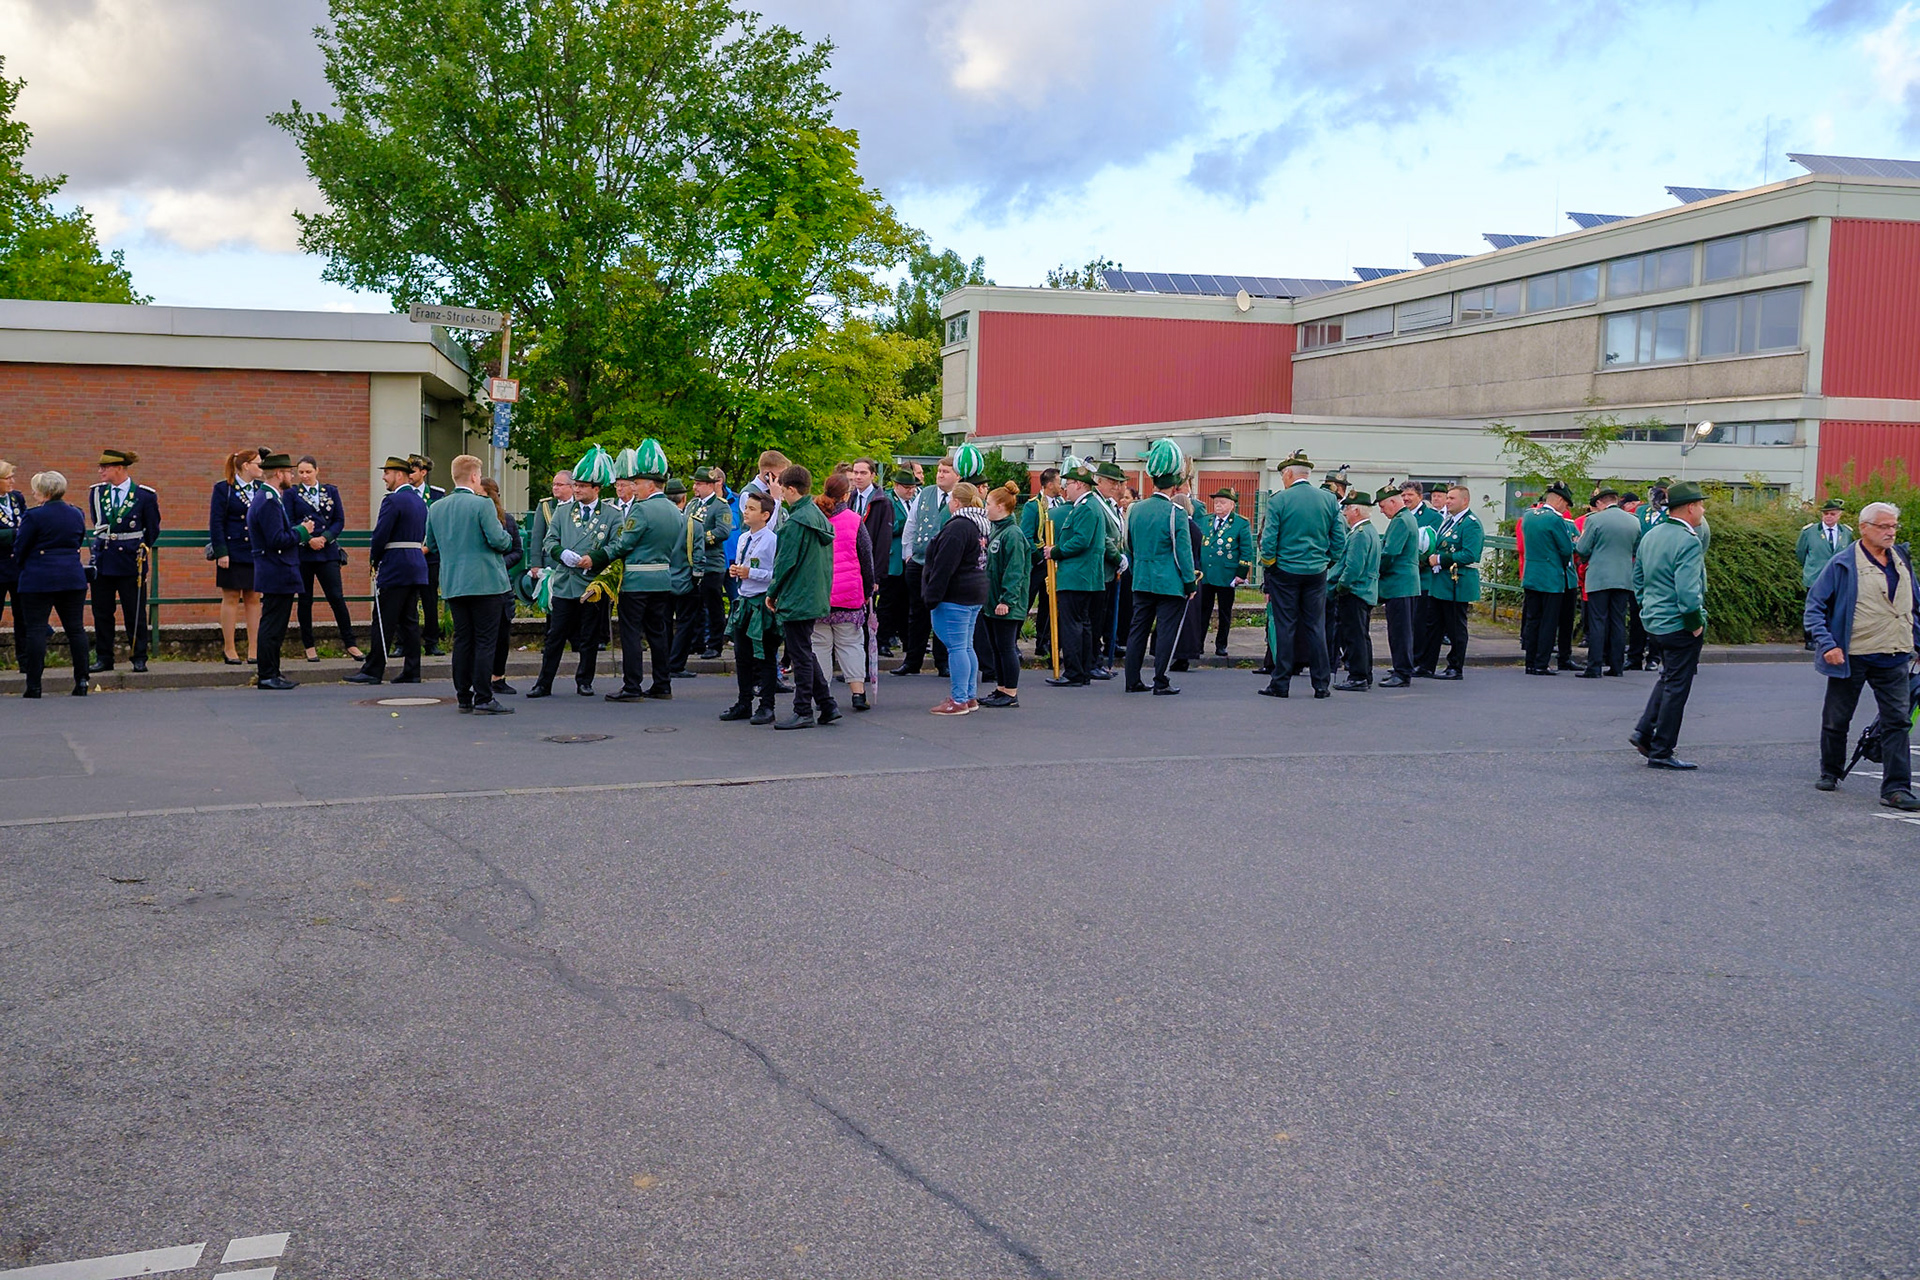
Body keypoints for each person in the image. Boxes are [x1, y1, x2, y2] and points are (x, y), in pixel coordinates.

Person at [1805, 500, 1920, 807]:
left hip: (1895, 654)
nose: (1890, 532)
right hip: (1853, 654)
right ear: (1864, 528)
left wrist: (1917, 642)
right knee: (1837, 719)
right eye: (1883, 526)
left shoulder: (1902, 560)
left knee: (1897, 722)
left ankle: (1896, 789)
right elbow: (1815, 606)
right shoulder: (1843, 562)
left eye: (1893, 526)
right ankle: (1830, 770)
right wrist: (1828, 644)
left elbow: (1913, 605)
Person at [535, 445, 627, 699]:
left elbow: (618, 545)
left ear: (596, 488)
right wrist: (561, 554)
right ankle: (544, 683)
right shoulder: (563, 512)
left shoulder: (611, 514)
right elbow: (550, 540)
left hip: (592, 585)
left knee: (589, 638)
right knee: (555, 637)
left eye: (583, 486)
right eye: (575, 486)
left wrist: (594, 559)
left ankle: (584, 680)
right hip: (565, 581)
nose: (577, 490)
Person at [425, 454, 514, 714]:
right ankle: (484, 697)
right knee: (486, 641)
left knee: (463, 640)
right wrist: (507, 538)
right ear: (475, 476)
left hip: (454, 582)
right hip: (486, 581)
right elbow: (499, 541)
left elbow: (430, 544)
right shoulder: (482, 505)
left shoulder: (436, 507)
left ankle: (463, 695)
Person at [1631, 480, 1710, 770]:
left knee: (1667, 678)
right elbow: (1689, 593)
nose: (1702, 509)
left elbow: (1638, 579)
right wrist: (1695, 622)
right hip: (1678, 623)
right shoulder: (1688, 540)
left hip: (1654, 620)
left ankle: (1643, 731)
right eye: (1700, 504)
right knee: (1678, 686)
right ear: (1690, 508)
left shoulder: (1652, 535)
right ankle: (1662, 749)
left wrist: (1647, 607)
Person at [1257, 450, 1345, 699]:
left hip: (1285, 570)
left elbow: (1269, 540)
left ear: (1288, 474)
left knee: (1286, 627)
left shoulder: (1279, 500)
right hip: (1316, 570)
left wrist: (1270, 565)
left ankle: (1281, 682)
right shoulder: (1328, 500)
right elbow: (1339, 540)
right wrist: (1328, 560)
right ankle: (1321, 684)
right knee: (1316, 626)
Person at [767, 465, 840, 729]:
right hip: (815, 592)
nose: (783, 495)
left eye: (784, 490)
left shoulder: (796, 521)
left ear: (791, 489)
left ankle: (803, 710)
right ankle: (827, 705)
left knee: (800, 654)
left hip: (798, 595)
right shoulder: (818, 515)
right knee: (804, 650)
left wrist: (773, 592)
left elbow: (784, 563)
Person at [1123, 440, 1198, 696]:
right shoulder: (1175, 512)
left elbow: (1129, 546)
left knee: (1138, 630)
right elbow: (1182, 553)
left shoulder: (1134, 510)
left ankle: (1132, 680)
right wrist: (1189, 583)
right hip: (1170, 582)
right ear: (1175, 483)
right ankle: (1160, 680)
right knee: (1166, 631)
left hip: (1142, 579)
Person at [346, 457, 430, 686]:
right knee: (409, 621)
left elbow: (381, 534)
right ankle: (413, 670)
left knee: (383, 619)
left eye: (387, 473)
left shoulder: (393, 501)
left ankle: (374, 669)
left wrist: (375, 558)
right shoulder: (418, 500)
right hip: (415, 565)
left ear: (399, 475)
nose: (384, 477)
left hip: (396, 565)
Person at [10, 470, 91, 698]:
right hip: (72, 577)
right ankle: (82, 680)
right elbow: (77, 539)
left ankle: (34, 685)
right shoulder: (76, 513)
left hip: (38, 578)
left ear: (43, 492)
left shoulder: (34, 516)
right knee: (76, 629)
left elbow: (21, 546)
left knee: (35, 630)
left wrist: (27, 562)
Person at [87, 447, 160, 673]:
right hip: (104, 558)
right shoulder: (98, 493)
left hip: (130, 560)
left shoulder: (144, 495)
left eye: (105, 467)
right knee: (102, 611)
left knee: (135, 611)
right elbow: (98, 522)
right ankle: (104, 656)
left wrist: (141, 548)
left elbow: (152, 529)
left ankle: (139, 656)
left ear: (119, 468)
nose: (101, 471)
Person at [922, 481, 991, 715]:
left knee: (956, 648)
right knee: (966, 646)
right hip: (974, 591)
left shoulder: (958, 527)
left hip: (956, 594)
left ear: (956, 502)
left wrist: (931, 595)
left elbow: (944, 566)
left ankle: (958, 699)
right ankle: (969, 696)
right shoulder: (980, 524)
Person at [812, 472, 879, 711]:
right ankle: (858, 694)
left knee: (819, 644)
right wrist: (868, 588)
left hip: (818, 592)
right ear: (846, 495)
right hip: (849, 594)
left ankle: (823, 696)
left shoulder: (814, 517)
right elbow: (866, 557)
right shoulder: (853, 520)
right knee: (850, 644)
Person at [246, 451, 313, 691]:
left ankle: (273, 671)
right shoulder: (268, 500)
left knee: (275, 624)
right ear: (278, 473)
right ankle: (267, 674)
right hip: (276, 570)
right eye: (288, 472)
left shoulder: (269, 497)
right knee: (272, 625)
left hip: (277, 569)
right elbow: (276, 538)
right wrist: (302, 531)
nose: (292, 476)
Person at [289, 456, 363, 664]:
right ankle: (309, 646)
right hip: (304, 552)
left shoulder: (331, 491)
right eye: (301, 472)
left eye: (308, 472)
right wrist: (308, 538)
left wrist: (325, 538)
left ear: (316, 471)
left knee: (336, 598)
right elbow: (289, 520)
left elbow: (339, 520)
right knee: (305, 601)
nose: (304, 476)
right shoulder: (293, 494)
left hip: (327, 552)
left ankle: (350, 642)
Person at [1041, 458, 1106, 688]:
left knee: (1073, 625)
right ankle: (1083, 669)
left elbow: (1080, 541)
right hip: (1082, 576)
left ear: (1079, 484)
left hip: (1077, 576)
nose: (1064, 487)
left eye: (1068, 483)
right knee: (1082, 625)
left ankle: (1075, 672)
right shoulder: (1087, 506)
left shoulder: (1086, 508)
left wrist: (1054, 551)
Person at [721, 491, 782, 724]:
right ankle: (744, 702)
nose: (746, 512)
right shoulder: (744, 538)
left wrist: (751, 573)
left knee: (765, 655)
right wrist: (736, 571)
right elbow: (743, 564)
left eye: (752, 509)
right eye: (746, 508)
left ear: (765, 515)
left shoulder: (771, 540)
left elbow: (775, 575)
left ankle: (767, 705)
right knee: (742, 655)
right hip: (744, 601)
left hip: (761, 603)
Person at [895, 455, 958, 676]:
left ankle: (943, 662)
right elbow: (912, 524)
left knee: (943, 611)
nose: (940, 475)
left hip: (945, 566)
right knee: (916, 613)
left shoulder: (960, 497)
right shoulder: (925, 494)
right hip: (919, 562)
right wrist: (908, 555)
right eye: (939, 471)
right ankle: (913, 661)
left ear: (957, 476)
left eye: (946, 472)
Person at [1417, 484, 1482, 680]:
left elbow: (1471, 554)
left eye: (1452, 498)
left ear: (1465, 501)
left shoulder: (1471, 523)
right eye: (1447, 498)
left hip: (1456, 582)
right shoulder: (1448, 521)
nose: (1447, 501)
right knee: (1433, 626)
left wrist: (1441, 559)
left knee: (1455, 627)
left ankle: (1455, 666)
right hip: (1440, 582)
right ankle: (1426, 665)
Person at [1574, 487, 1641, 678]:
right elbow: (1636, 548)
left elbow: (1583, 548)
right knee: (1618, 622)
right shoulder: (1633, 521)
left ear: (1601, 502)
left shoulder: (1594, 520)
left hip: (1599, 577)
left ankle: (1594, 666)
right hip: (1623, 577)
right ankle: (1617, 665)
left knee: (1597, 621)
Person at [978, 482, 1032, 708]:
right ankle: (1001, 688)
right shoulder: (997, 531)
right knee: (997, 647)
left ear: (1001, 506)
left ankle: (1010, 692)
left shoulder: (1013, 534)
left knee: (1006, 646)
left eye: (988, 504)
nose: (985, 508)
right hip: (992, 601)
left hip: (1005, 603)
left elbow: (1015, 570)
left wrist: (1007, 600)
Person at [209, 449, 264, 665]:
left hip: (255, 551)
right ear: (244, 466)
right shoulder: (224, 488)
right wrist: (221, 551)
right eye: (258, 464)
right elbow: (216, 522)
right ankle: (229, 648)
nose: (261, 468)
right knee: (231, 597)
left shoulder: (260, 489)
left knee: (254, 598)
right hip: (232, 551)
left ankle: (254, 648)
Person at [1520, 482, 1576, 675]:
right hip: (1551, 577)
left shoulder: (1528, 516)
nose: (1566, 508)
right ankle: (1541, 662)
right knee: (1548, 622)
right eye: (1566, 504)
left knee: (1532, 619)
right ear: (1560, 500)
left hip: (1532, 574)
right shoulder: (1555, 520)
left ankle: (1530, 661)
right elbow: (1566, 549)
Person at [1331, 491, 1381, 691]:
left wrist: (1341, 587)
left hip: (1356, 592)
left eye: (1347, 509)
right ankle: (1365, 674)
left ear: (1357, 510)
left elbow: (1353, 567)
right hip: (1365, 591)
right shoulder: (1368, 531)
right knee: (1362, 635)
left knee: (1354, 636)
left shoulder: (1360, 534)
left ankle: (1358, 676)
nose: (1344, 513)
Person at [479, 477, 523, 697]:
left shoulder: (506, 520)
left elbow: (517, 551)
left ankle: (498, 676)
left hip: (501, 582)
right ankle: (480, 678)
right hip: (479, 582)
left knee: (502, 633)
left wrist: (499, 564)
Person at [1197, 488, 1252, 658]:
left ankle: (1221, 644)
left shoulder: (1240, 524)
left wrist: (1240, 575)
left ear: (1232, 505)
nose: (1218, 505)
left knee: (1224, 612)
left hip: (1226, 575)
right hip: (1206, 574)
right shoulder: (1205, 521)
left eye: (1222, 502)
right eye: (1216, 502)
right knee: (1203, 611)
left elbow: (1246, 551)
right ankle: (1198, 644)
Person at [1376, 485, 1420, 687]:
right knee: (1402, 629)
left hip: (1400, 584)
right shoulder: (1404, 518)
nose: (1381, 511)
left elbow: (1390, 553)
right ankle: (1401, 667)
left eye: (1383, 506)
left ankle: (1402, 672)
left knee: (1400, 631)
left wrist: (1375, 570)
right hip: (1403, 584)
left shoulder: (1401, 521)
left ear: (1393, 502)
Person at [687, 467, 734, 659]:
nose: (695, 487)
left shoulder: (720, 506)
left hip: (712, 563)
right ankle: (696, 642)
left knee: (714, 606)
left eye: (698, 483)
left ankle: (715, 644)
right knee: (694, 605)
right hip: (694, 563)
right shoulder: (692, 505)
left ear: (710, 485)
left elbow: (723, 531)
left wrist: (697, 540)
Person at [1798, 498, 1855, 649]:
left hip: (1838, 578)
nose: (1829, 517)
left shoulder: (1846, 533)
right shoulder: (1810, 532)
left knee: (1835, 609)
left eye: (1832, 514)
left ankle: (1831, 640)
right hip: (1815, 576)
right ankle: (1810, 639)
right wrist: (1810, 568)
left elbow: (1849, 554)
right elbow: (1800, 553)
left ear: (1839, 516)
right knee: (1814, 608)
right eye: (1826, 514)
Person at [1020, 468, 1064, 660]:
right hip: (1037, 563)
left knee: (1049, 605)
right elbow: (1026, 536)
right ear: (1049, 484)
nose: (1061, 485)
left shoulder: (1062, 504)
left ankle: (1043, 642)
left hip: (1054, 562)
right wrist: (1038, 557)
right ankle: (1013, 640)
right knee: (1026, 602)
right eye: (1058, 481)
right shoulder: (1033, 506)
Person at [406, 455, 447, 655]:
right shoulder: (402, 494)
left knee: (430, 600)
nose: (409, 475)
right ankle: (404, 643)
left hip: (429, 555)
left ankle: (432, 642)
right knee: (407, 601)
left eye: (413, 471)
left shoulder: (438, 495)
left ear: (423, 472)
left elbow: (442, 525)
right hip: (408, 555)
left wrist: (428, 547)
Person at [1094, 461, 1130, 676]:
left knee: (1106, 615)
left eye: (1118, 483)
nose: (1116, 487)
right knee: (1098, 617)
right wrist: (1117, 557)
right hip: (1103, 566)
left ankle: (1105, 651)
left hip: (1112, 568)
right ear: (1099, 481)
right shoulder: (1097, 503)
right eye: (1111, 482)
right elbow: (1105, 537)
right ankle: (1096, 658)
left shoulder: (1108, 503)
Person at [879, 467, 916, 655]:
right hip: (893, 559)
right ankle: (882, 641)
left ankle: (908, 641)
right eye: (907, 487)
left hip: (909, 560)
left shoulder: (916, 501)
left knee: (907, 604)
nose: (911, 491)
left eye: (913, 487)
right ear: (897, 486)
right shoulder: (887, 501)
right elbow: (887, 528)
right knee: (887, 603)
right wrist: (908, 524)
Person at [0, 461, 25, 629]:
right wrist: (16, 533)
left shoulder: (16, 497)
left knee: (22, 615)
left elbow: (27, 523)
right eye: (7, 478)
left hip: (17, 566)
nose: (12, 481)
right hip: (0, 565)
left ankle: (23, 655)